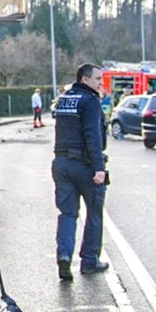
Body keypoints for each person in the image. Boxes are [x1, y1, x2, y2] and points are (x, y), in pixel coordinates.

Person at [51, 63, 109, 280]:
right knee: (94, 213)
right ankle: (89, 261)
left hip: (61, 162)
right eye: (97, 79)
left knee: (67, 214)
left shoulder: (64, 99)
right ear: (85, 79)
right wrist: (98, 168)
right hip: (84, 165)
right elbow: (92, 136)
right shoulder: (90, 101)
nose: (100, 83)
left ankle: (64, 255)